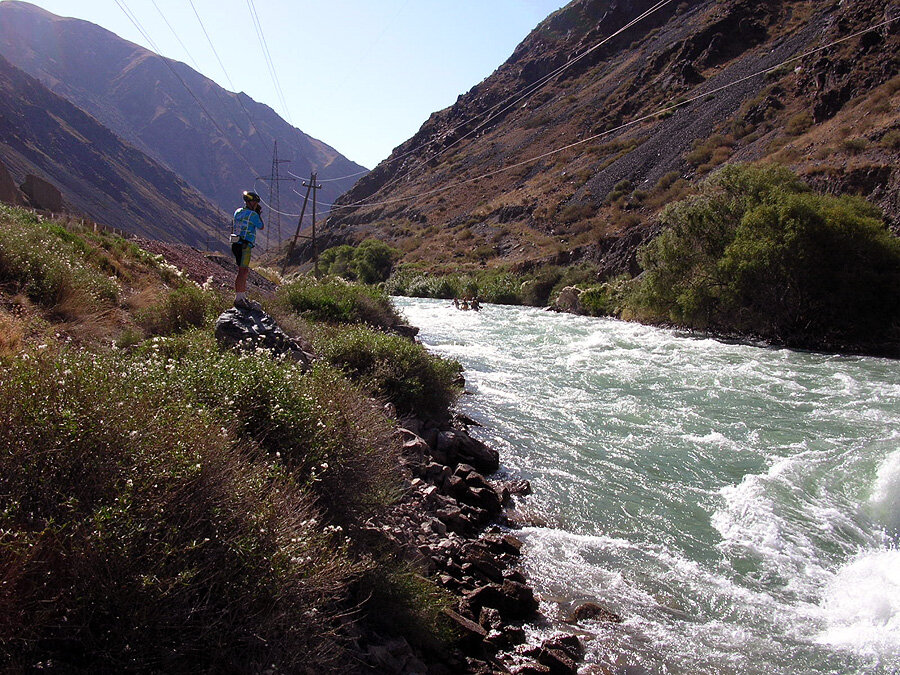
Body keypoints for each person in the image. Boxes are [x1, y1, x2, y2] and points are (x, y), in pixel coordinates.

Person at [232, 190, 264, 309]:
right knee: (243, 271)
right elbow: (261, 226)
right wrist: (258, 213)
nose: (256, 205)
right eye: (256, 203)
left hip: (236, 243)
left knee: (241, 271)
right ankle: (239, 299)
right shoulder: (253, 215)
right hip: (245, 245)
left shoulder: (238, 211)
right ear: (251, 202)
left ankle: (241, 296)